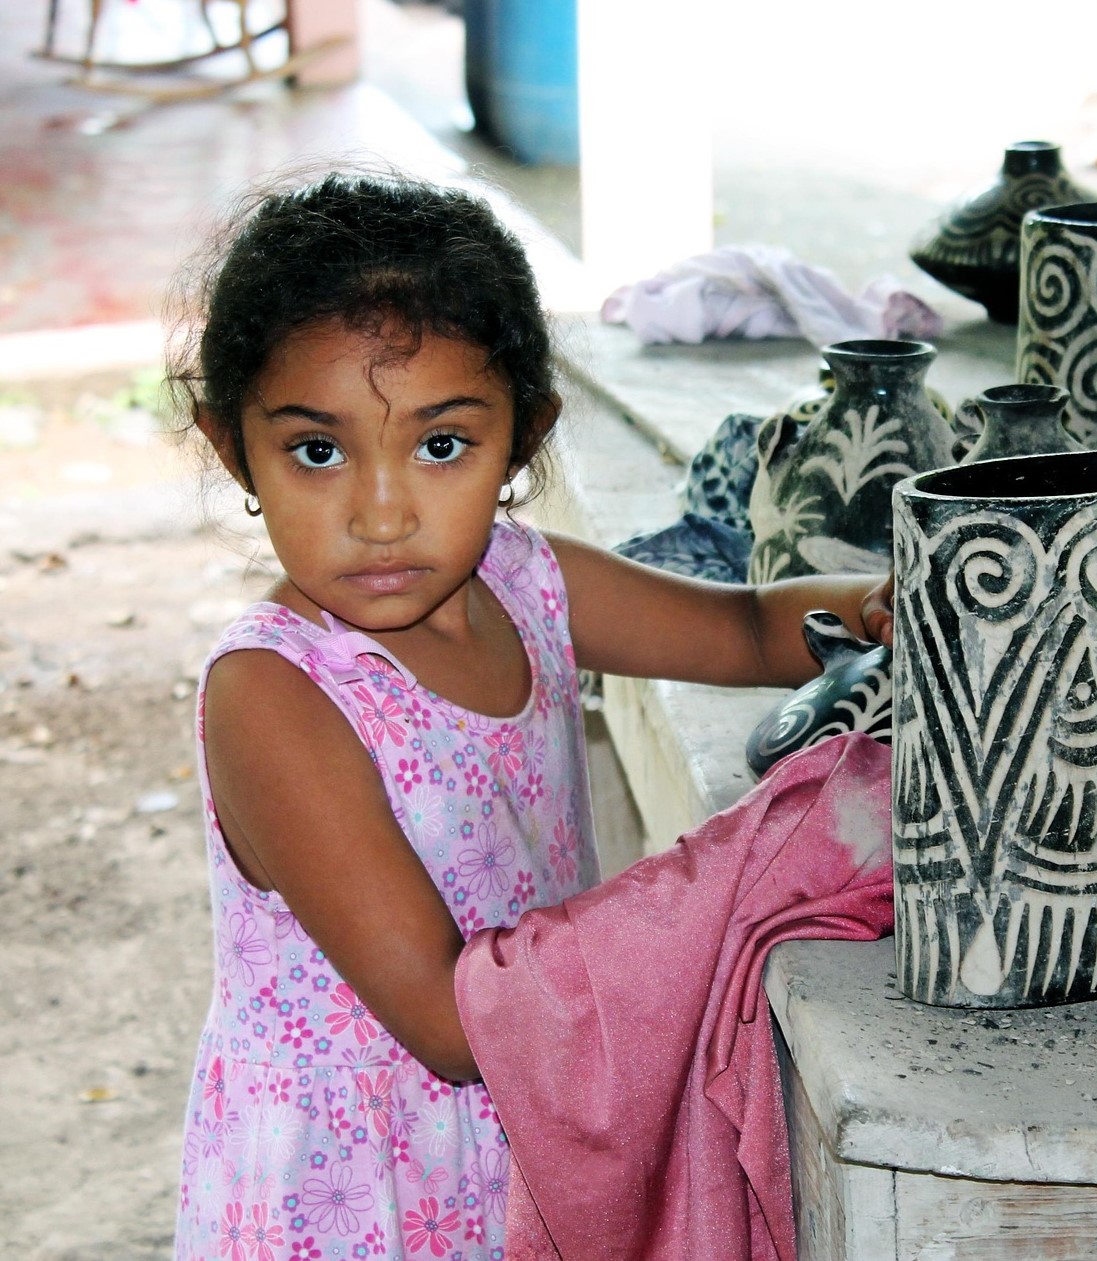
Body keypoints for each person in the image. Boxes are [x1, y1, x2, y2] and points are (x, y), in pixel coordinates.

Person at [168, 171, 892, 1261]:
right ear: (237, 451)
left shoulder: (527, 582)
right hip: (357, 1199)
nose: (381, 510)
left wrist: (893, 606)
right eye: (317, 451)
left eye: (441, 444)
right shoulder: (276, 695)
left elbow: (743, 630)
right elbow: (449, 1022)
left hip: (518, 1140)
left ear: (521, 437)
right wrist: (728, 878)